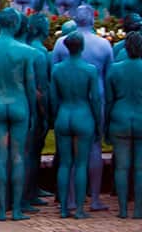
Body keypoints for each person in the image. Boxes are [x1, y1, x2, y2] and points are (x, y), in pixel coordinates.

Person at [0, 8, 37, 222]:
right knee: (18, 156)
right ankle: (18, 209)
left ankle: (2, 210)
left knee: (0, 158)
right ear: (15, 25)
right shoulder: (25, 51)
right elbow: (30, 85)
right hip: (19, 104)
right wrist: (31, 111)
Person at [51, 32, 102, 219]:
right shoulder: (90, 70)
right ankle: (79, 208)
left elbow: (54, 98)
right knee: (81, 164)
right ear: (81, 47)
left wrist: (56, 117)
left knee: (65, 164)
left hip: (64, 115)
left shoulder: (57, 69)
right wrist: (98, 122)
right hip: (83, 115)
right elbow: (95, 99)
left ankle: (64, 207)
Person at [106, 30, 142, 219]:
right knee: (139, 168)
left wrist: (105, 125)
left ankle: (122, 209)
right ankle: (138, 209)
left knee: (121, 167)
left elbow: (109, 100)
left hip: (119, 118)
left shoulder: (114, 69)